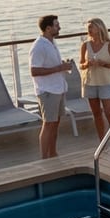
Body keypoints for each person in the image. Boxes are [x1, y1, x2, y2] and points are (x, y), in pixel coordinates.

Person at [30, 15, 72, 159]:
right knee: (48, 124)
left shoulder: (52, 42)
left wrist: (63, 66)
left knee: (55, 123)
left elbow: (50, 65)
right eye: (56, 25)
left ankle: (53, 153)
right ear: (48, 28)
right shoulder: (39, 46)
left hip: (58, 88)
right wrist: (59, 67)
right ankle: (44, 158)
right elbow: (34, 71)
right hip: (47, 91)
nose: (59, 27)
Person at [78, 17, 110, 144]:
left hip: (106, 82)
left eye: (92, 27)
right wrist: (87, 64)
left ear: (99, 28)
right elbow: (81, 65)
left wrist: (104, 64)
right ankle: (102, 142)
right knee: (96, 113)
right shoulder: (85, 45)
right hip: (90, 82)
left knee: (109, 112)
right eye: (88, 27)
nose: (89, 29)